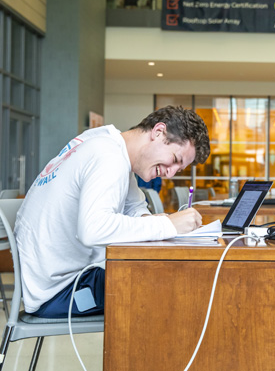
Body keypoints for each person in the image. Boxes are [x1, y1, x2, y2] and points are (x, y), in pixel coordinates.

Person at [15, 106, 211, 318]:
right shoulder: (110, 158)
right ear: (158, 132)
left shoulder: (107, 142)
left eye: (178, 170)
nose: (171, 173)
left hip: (49, 279)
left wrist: (157, 220)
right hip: (58, 292)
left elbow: (135, 207)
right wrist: (168, 225)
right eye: (175, 159)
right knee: (174, 285)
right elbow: (93, 230)